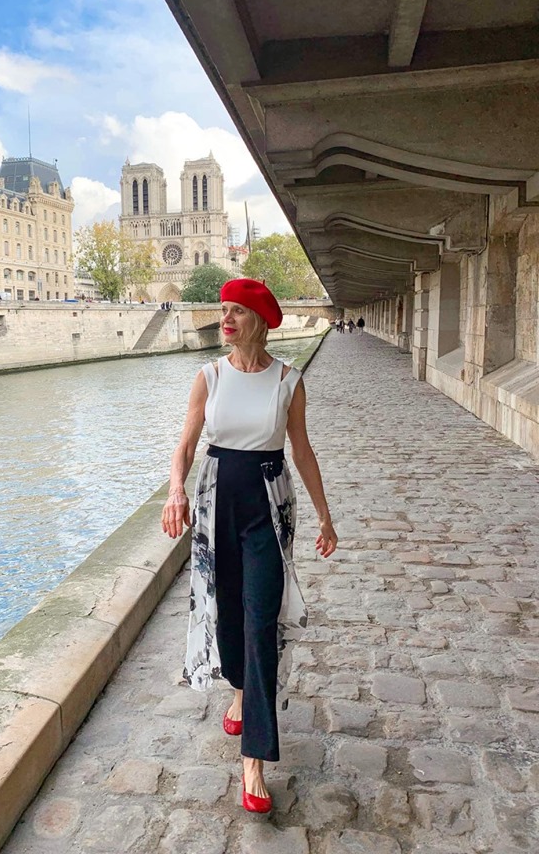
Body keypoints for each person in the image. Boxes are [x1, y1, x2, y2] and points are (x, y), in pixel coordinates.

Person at [162, 278, 337, 814]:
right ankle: (238, 690)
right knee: (227, 615)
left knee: (260, 620)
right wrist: (175, 491)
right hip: (217, 500)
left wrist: (326, 516)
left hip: (266, 501)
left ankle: (253, 759)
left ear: (259, 320)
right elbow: (187, 444)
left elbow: (301, 451)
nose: (226, 320)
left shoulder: (289, 381)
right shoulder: (208, 377)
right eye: (223, 311)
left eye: (236, 311)